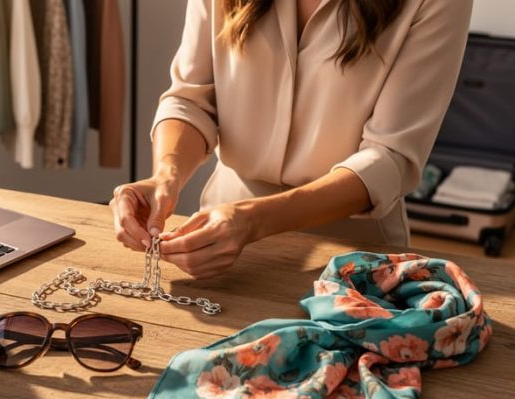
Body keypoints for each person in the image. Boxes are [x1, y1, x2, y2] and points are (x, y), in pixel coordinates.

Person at [109, 0, 473, 279]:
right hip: (218, 246)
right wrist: (166, 176)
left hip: (355, 257)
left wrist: (252, 221)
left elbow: (389, 157)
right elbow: (191, 100)